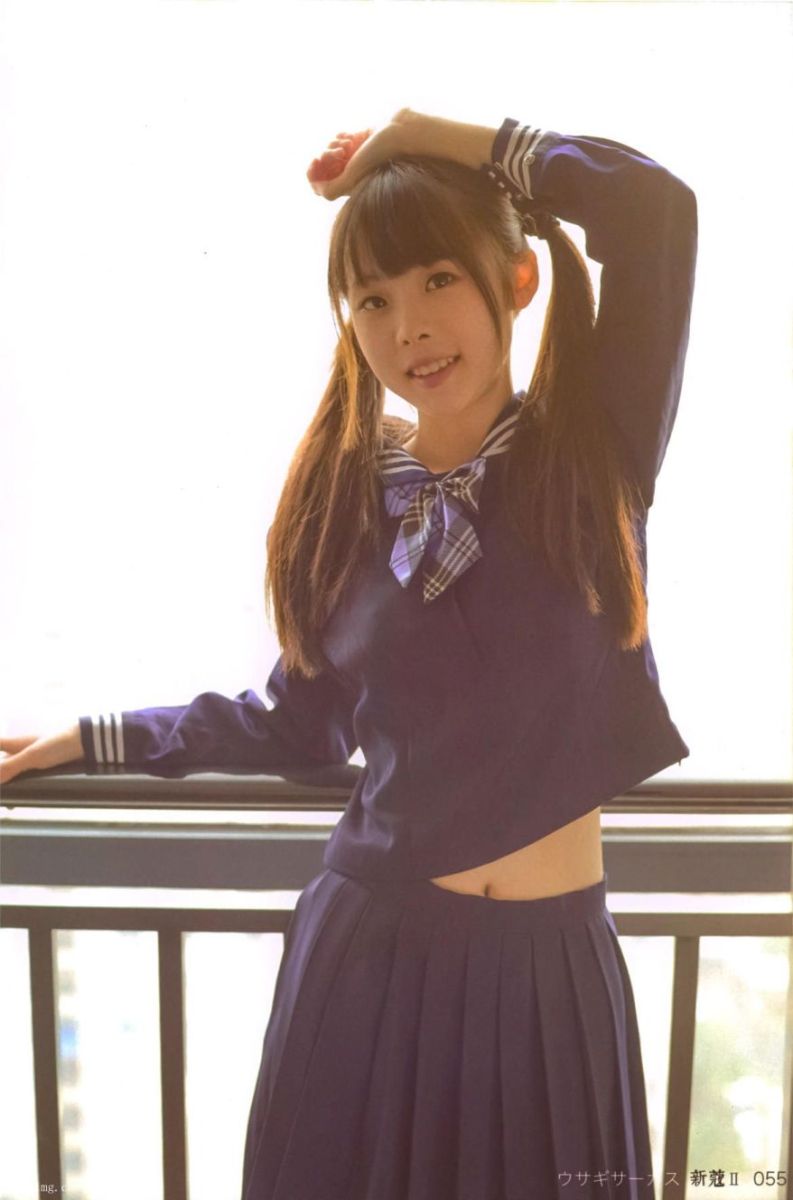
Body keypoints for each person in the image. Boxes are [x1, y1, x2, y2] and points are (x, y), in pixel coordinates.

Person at [1, 107, 697, 1200]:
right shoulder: (345, 498)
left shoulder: (590, 450)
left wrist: (424, 132)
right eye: (371, 299)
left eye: (436, 280)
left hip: (549, 973)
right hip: (370, 960)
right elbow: (298, 720)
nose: (407, 325)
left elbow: (654, 210)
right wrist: (94, 739)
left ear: (515, 280)